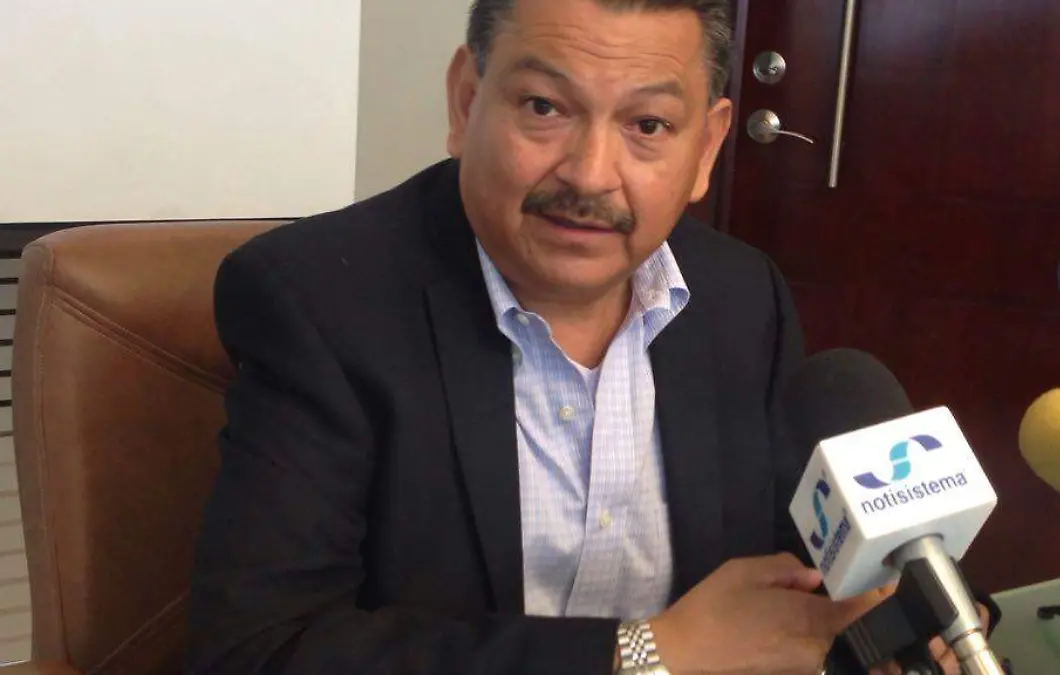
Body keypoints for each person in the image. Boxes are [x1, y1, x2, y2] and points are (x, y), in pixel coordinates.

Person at [185, 1, 996, 673]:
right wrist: (646, 654)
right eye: (545, 107)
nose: (590, 173)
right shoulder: (319, 303)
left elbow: (801, 557)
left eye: (648, 124)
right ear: (466, 101)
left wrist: (891, 617)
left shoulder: (741, 297)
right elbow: (258, 650)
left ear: (708, 147)